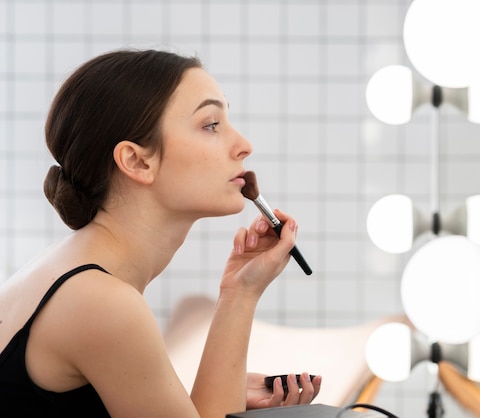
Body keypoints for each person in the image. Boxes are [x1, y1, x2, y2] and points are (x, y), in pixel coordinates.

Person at [0, 49, 321, 417]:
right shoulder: (101, 302)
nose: (244, 146)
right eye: (211, 125)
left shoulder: (67, 269)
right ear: (137, 161)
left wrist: (239, 293)